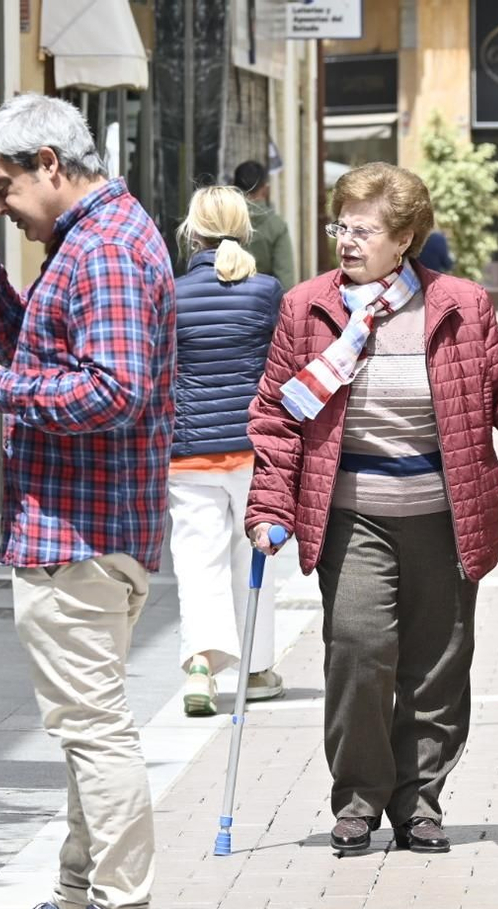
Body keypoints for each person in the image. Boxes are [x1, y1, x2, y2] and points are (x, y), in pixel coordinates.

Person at [0, 94, 174, 909]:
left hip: (82, 530)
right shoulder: (88, 240)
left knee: (93, 728)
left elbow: (112, 389)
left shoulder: (104, 247)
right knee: (86, 727)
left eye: (2, 185)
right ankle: (81, 900)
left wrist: (2, 390)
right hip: (83, 524)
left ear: (50, 162)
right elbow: (50, 356)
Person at [246, 162, 498, 856]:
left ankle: (420, 801)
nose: (346, 240)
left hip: (444, 513)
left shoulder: (459, 305)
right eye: (340, 226)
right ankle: (358, 798)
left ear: (404, 239)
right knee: (359, 649)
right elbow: (278, 416)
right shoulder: (307, 308)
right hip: (353, 512)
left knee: (438, 663)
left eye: (363, 230)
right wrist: (270, 506)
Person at [168, 186, 286, 716]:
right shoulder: (266, 291)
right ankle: (256, 671)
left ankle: (200, 666)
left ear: (191, 232)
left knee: (198, 563)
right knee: (255, 554)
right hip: (253, 449)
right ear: (245, 229)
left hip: (188, 451)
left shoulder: (171, 294)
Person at [233, 159, 296, 289]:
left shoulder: (222, 221)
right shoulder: (276, 226)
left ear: (233, 187)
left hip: (225, 296)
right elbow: (285, 279)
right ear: (265, 189)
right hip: (262, 297)